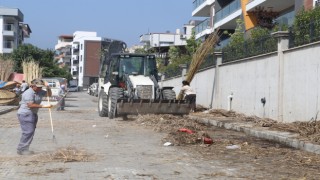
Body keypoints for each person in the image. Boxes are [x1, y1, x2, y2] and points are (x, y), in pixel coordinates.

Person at [16, 78, 52, 155]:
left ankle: (25, 148)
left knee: (30, 132)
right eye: (38, 87)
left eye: (41, 87)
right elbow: (30, 105)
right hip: (25, 114)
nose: (40, 88)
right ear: (32, 86)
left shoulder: (39, 91)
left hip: (33, 114)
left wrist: (48, 87)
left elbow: (49, 95)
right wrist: (44, 106)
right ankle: (22, 149)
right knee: (28, 132)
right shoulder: (28, 93)